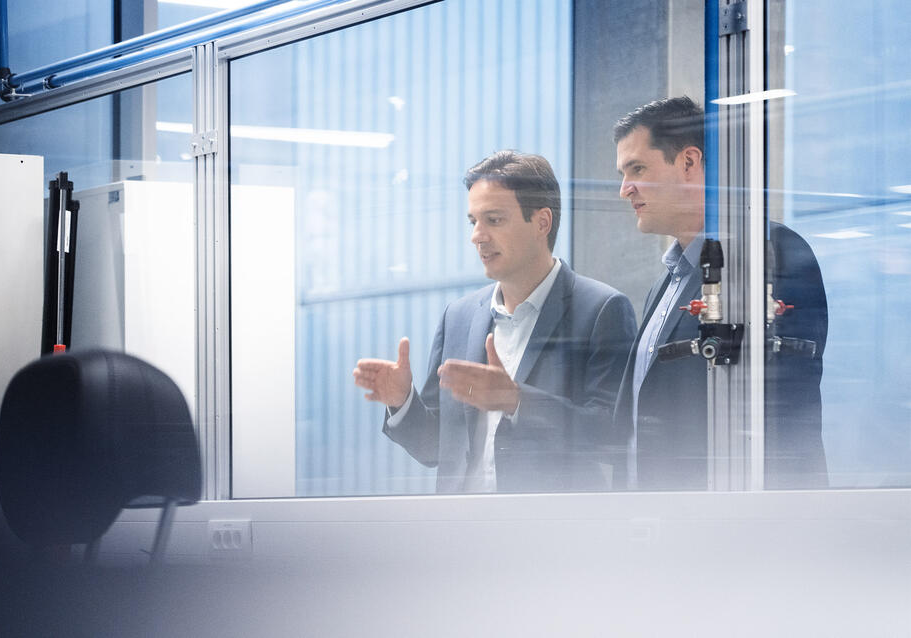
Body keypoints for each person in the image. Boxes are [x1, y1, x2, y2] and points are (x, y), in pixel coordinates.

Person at [353, 150, 636, 493]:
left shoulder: (602, 310)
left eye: (494, 220)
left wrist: (516, 400)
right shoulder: (458, 317)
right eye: (473, 221)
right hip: (463, 533)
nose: (477, 235)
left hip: (550, 536)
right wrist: (402, 402)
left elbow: (610, 434)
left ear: (542, 223)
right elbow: (435, 448)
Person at [612, 96, 828, 490]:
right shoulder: (666, 284)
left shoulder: (771, 253)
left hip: (736, 520)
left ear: (689, 163)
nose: (625, 189)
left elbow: (779, 413)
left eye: (637, 169)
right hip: (661, 521)